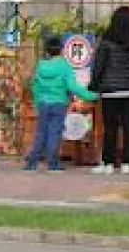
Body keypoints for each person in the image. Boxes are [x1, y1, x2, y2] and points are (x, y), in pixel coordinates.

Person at [88, 6, 129, 174]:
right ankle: (128, 163)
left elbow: (98, 67)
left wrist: (94, 86)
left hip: (110, 90)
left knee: (110, 127)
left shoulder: (106, 43)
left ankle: (108, 163)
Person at [24, 36, 98, 172]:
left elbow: (35, 86)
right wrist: (91, 95)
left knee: (40, 133)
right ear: (61, 49)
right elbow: (72, 86)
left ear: (46, 50)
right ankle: (52, 163)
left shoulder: (40, 65)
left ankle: (31, 163)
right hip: (59, 103)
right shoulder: (64, 66)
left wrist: (36, 102)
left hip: (42, 103)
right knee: (54, 133)